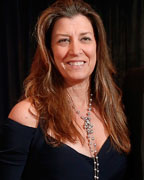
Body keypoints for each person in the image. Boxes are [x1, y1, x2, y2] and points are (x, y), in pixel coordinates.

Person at [0, 0, 131, 179]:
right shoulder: (28, 115)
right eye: (63, 40)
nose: (75, 50)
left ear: (97, 46)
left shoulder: (114, 109)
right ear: (50, 52)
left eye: (85, 38)